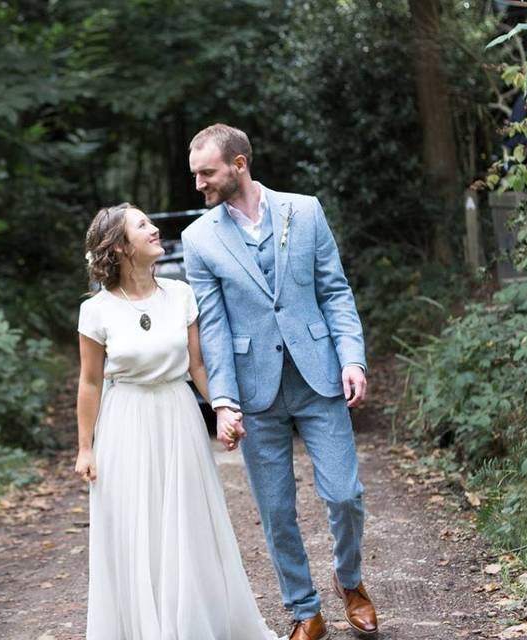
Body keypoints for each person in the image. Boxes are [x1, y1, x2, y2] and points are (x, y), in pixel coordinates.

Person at [182, 124, 379, 640]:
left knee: (344, 494)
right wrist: (222, 402)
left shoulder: (305, 210)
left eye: (207, 172)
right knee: (275, 509)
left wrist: (352, 359)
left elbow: (335, 291)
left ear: (239, 164)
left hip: (318, 377)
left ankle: (350, 580)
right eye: (195, 174)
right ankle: (304, 608)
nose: (199, 184)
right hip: (253, 390)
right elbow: (214, 327)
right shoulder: (199, 238)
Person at [74, 202, 283, 640]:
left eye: (150, 223)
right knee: (137, 530)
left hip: (179, 418)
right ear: (120, 247)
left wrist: (224, 409)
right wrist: (86, 447)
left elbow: (198, 366)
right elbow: (91, 382)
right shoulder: (96, 310)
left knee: (187, 527)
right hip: (124, 423)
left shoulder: (182, 294)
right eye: (142, 226)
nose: (154, 230)